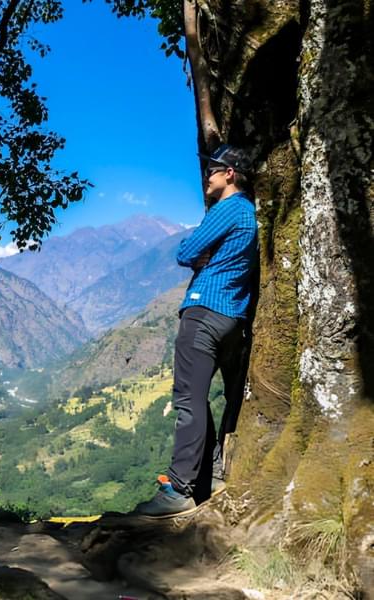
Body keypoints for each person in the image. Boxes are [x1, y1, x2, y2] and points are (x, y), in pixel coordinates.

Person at [134, 145, 259, 517]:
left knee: (189, 400)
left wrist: (201, 256)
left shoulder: (229, 208)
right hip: (232, 319)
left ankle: (179, 490)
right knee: (210, 400)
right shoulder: (249, 215)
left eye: (214, 169)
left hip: (203, 313)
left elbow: (186, 251)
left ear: (231, 174)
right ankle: (210, 478)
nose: (208, 176)